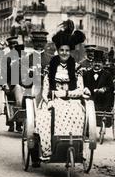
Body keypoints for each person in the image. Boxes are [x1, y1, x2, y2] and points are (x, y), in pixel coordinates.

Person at [34, 19, 88, 160]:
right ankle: (49, 149)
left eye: (67, 50)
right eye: (61, 50)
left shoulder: (76, 68)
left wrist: (65, 93)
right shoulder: (50, 67)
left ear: (70, 51)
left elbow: (80, 89)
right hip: (52, 101)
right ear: (57, 51)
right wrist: (48, 100)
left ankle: (75, 148)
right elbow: (46, 90)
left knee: (78, 114)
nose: (64, 53)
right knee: (46, 117)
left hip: (71, 101)